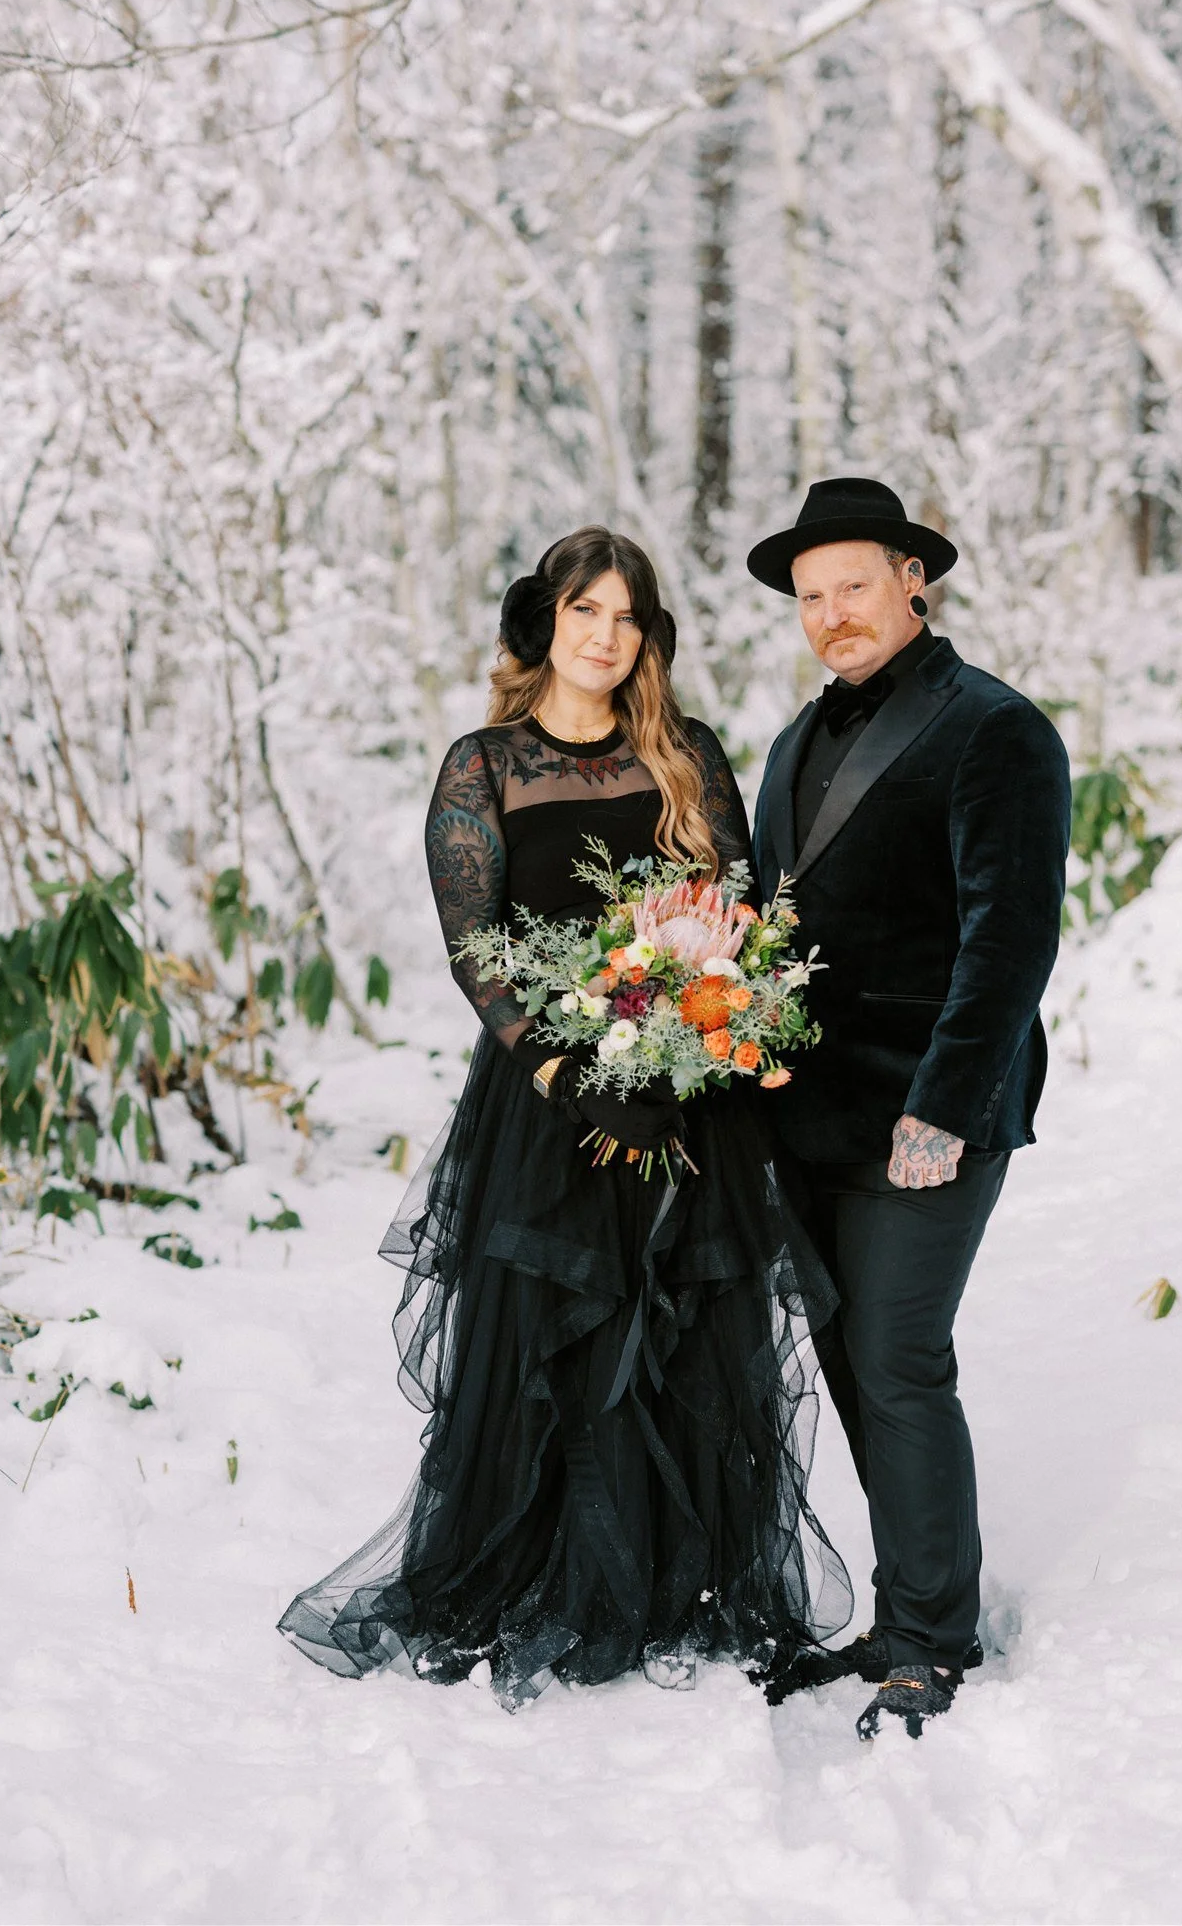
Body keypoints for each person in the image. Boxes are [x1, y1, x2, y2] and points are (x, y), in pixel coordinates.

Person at [279, 526, 849, 1707]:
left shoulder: (687, 755)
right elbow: (476, 946)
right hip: (547, 1098)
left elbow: (731, 915)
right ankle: (534, 1576)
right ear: (544, 620)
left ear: (648, 635)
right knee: (549, 1339)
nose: (605, 634)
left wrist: (693, 1043)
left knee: (690, 1340)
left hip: (692, 1093)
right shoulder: (483, 766)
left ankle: (674, 1581)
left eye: (627, 615)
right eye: (585, 609)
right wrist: (568, 1073)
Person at [748, 477, 1071, 1741]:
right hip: (806, 1113)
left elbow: (1011, 940)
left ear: (913, 580)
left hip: (929, 1110)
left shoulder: (995, 729)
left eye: (854, 586)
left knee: (897, 1356)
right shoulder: (793, 742)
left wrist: (941, 1107)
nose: (832, 613)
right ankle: (906, 1607)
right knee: (847, 1361)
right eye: (811, 596)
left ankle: (933, 1639)